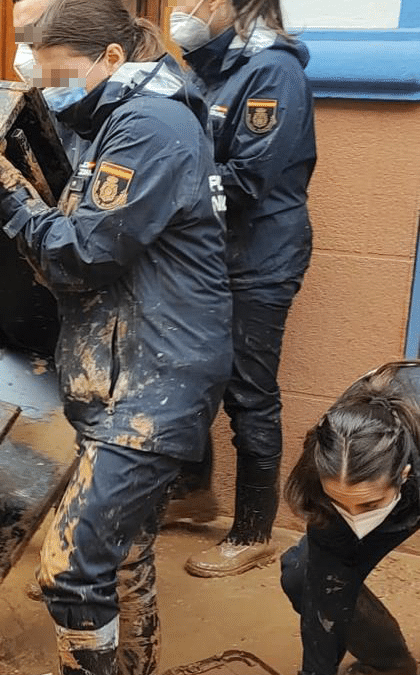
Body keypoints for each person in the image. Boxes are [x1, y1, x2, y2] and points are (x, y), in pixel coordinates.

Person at [0, 1, 232, 673]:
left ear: (111, 59)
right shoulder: (115, 117)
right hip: (123, 363)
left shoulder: (150, 125)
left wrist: (6, 190)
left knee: (68, 563)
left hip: (157, 375)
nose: (51, 87)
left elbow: (82, 253)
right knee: (121, 549)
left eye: (61, 73)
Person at [168, 0, 317, 577]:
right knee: (192, 371)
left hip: (260, 256)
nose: (180, 7)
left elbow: (249, 180)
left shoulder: (272, 71)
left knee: (249, 390)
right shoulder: (208, 66)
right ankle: (191, 493)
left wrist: (164, 193)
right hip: (212, 251)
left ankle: (253, 532)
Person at [281, 361, 420, 675]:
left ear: (404, 474)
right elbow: (323, 592)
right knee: (302, 575)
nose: (355, 519)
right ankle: (391, 666)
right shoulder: (329, 459)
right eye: (341, 502)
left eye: (368, 505)